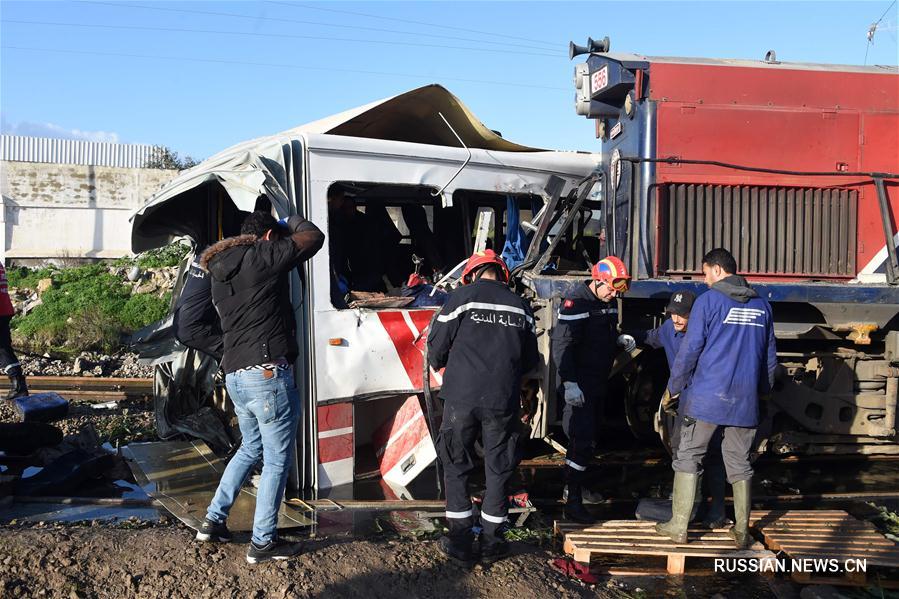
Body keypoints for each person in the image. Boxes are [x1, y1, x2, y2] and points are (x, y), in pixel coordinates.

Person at [195, 210, 324, 564]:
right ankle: (263, 542)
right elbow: (312, 237)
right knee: (277, 460)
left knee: (250, 448)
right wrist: (289, 221)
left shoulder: (221, 271)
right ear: (268, 238)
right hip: (267, 374)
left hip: (236, 375)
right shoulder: (263, 255)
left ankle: (212, 521)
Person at [655, 248, 777, 549]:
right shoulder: (762, 305)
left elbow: (690, 350)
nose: (705, 279)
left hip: (707, 398)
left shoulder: (709, 302)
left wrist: (673, 389)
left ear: (718, 270)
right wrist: (761, 395)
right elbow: (770, 360)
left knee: (688, 456)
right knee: (739, 463)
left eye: (705, 273)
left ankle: (678, 527)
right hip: (744, 401)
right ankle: (740, 533)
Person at [427, 249, 538, 564]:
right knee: (498, 467)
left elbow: (436, 347)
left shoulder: (461, 298)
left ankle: (460, 542)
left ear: (472, 274)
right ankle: (492, 542)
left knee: (456, 463)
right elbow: (530, 361)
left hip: (461, 397)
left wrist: (445, 363)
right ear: (502, 275)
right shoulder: (521, 307)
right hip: (502, 400)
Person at [619, 291, 729, 529]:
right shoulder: (669, 329)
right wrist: (625, 336)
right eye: (673, 313)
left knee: (708, 454)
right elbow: (651, 336)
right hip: (683, 401)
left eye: (683, 315)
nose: (677, 319)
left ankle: (706, 511)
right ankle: (690, 507)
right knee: (682, 451)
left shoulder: (706, 334)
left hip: (704, 401)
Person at [551, 256, 631, 524]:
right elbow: (562, 345)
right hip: (580, 386)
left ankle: (575, 488)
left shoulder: (605, 303)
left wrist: (617, 341)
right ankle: (572, 502)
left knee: (589, 441)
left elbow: (600, 336)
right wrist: (569, 382)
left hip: (596, 383)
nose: (613, 293)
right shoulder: (578, 303)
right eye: (610, 288)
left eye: (616, 290)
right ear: (597, 280)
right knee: (580, 440)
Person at [173, 254, 224, 362]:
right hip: (195, 329)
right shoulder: (218, 263)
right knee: (233, 352)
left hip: (180, 325)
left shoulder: (200, 259)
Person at [0, 261, 27, 400]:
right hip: (4, 309)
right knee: (4, 349)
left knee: (3, 349)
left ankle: (19, 386)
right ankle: (19, 386)